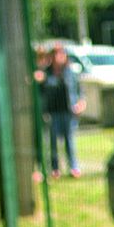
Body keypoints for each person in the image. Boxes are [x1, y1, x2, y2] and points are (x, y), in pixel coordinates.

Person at [32, 43, 85, 178]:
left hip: (68, 111)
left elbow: (79, 91)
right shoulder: (46, 73)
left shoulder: (70, 72)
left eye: (61, 53)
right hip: (52, 112)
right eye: (55, 54)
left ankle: (74, 167)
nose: (58, 57)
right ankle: (55, 169)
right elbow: (40, 92)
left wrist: (80, 103)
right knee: (53, 141)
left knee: (69, 141)